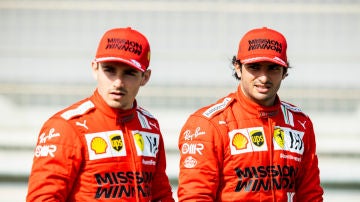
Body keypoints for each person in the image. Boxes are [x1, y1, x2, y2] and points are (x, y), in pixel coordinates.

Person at [27, 27, 175, 201]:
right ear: (95, 68)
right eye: (109, 70)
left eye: (129, 73)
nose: (118, 83)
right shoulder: (66, 127)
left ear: (145, 77)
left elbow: (160, 195)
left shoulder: (150, 126)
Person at [177, 27, 323, 201]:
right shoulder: (209, 124)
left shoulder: (301, 124)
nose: (263, 77)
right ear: (238, 68)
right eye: (254, 67)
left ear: (284, 72)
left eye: (273, 68)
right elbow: (195, 196)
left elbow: (310, 195)